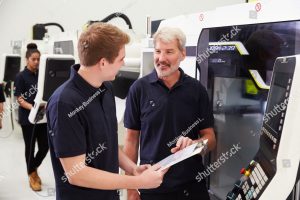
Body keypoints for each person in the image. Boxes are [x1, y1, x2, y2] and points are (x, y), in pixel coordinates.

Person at [46, 22, 166, 200]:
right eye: (121, 59)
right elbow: (76, 174)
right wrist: (138, 182)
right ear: (103, 62)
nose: (124, 63)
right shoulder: (64, 103)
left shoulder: (106, 89)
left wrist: (133, 168)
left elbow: (107, 144)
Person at [123, 27, 216, 200]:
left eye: (169, 52)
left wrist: (195, 145)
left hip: (192, 186)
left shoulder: (197, 90)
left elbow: (210, 139)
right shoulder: (139, 89)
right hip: (152, 186)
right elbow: (131, 140)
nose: (162, 58)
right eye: (158, 51)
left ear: (182, 54)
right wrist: (130, 188)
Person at [14, 43, 49, 191]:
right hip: (28, 119)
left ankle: (32, 168)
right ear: (27, 59)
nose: (36, 62)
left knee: (45, 146)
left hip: (42, 118)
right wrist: (33, 108)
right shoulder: (20, 76)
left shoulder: (41, 75)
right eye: (33, 59)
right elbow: (20, 98)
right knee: (30, 147)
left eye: (38, 59)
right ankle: (32, 175)